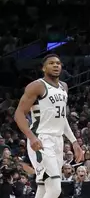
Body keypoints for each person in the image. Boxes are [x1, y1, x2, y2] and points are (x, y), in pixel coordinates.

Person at [13, 54, 83, 198]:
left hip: (58, 140)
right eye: (51, 63)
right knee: (55, 189)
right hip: (41, 139)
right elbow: (18, 114)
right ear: (44, 68)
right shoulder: (37, 86)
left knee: (44, 188)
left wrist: (74, 142)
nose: (56, 65)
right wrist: (31, 137)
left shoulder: (64, 87)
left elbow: (62, 118)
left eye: (58, 63)